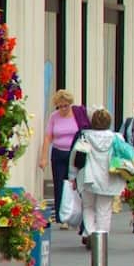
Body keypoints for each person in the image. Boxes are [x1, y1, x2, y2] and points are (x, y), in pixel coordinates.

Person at [69, 108, 134, 242]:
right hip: (109, 178)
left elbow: (74, 158)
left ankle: (90, 233)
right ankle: (101, 238)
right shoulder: (117, 138)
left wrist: (72, 177)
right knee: (104, 210)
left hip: (88, 177)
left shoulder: (85, 136)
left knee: (88, 207)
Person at [41, 90, 87, 224]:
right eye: (60, 106)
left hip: (75, 154)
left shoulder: (77, 114)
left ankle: (76, 213)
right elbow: (48, 137)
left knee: (75, 183)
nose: (63, 109)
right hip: (58, 153)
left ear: (70, 104)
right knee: (59, 184)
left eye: (66, 106)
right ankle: (62, 216)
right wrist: (43, 158)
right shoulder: (54, 117)